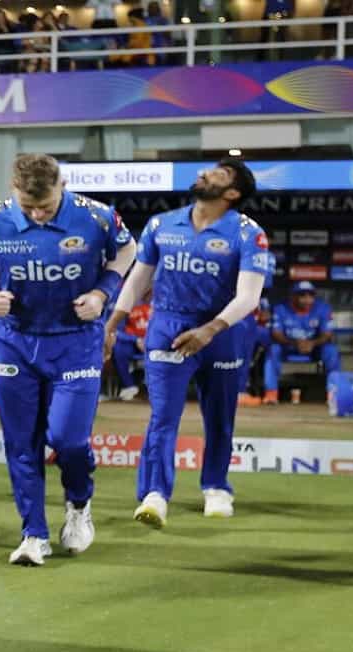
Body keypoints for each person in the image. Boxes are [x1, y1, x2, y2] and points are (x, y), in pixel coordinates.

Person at [0, 154, 136, 566]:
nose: (37, 214)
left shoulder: (97, 216)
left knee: (68, 440)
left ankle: (79, 503)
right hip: (13, 341)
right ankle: (33, 534)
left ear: (62, 187)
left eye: (46, 206)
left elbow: (127, 251)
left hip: (76, 341)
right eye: (28, 207)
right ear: (13, 191)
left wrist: (102, 293)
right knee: (22, 442)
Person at [104, 159, 267, 527]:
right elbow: (138, 279)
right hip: (169, 326)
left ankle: (216, 487)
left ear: (232, 193)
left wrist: (209, 330)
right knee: (162, 415)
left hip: (223, 332)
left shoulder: (248, 233)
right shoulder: (161, 224)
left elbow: (249, 296)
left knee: (220, 416)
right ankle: (154, 494)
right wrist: (113, 322)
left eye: (219, 174)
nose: (205, 173)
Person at [263, 281, 340, 404]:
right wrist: (295, 343)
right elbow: (276, 333)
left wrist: (312, 343)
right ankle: (271, 393)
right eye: (302, 295)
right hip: (288, 346)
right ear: (293, 296)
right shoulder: (281, 308)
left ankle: (333, 394)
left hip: (313, 347)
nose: (307, 299)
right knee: (273, 349)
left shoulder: (323, 308)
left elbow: (327, 334)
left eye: (311, 295)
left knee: (331, 351)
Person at [111, 297, 151, 401]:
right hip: (132, 341)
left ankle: (158, 388)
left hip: (154, 339)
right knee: (119, 347)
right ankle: (129, 385)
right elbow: (116, 330)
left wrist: (149, 340)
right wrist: (136, 340)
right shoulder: (125, 301)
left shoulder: (160, 300)